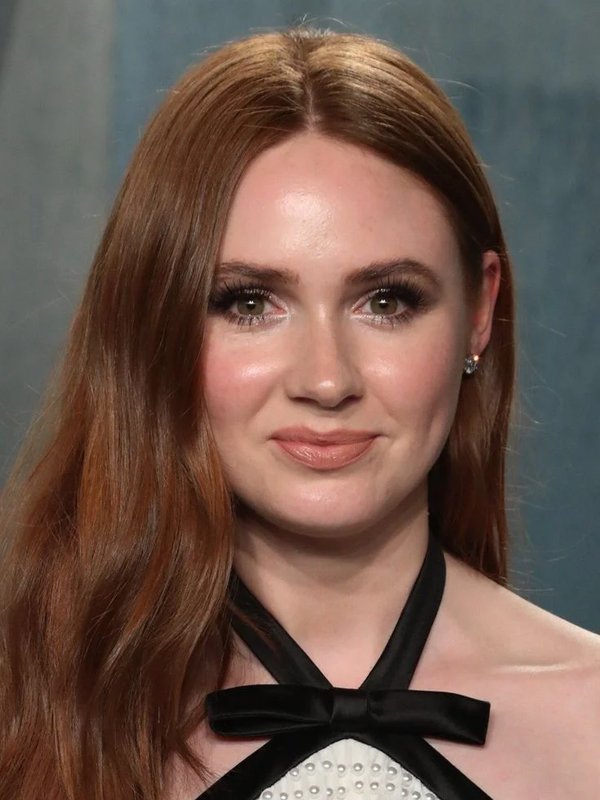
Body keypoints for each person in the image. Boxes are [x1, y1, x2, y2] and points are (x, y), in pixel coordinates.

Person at [0, 25, 598, 800]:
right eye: (249, 303)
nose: (326, 379)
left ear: (480, 312)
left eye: (387, 301)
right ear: (156, 323)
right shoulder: (28, 707)